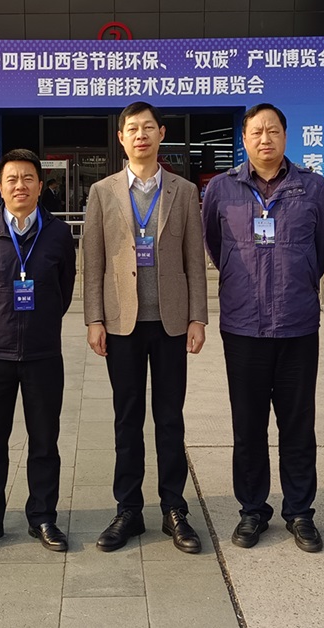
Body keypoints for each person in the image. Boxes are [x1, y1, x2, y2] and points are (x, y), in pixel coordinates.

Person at [201, 103, 324, 552]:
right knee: (248, 426)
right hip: (242, 326)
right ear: (244, 138)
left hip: (297, 325)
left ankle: (300, 511)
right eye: (256, 131)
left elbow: (323, 247)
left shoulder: (312, 187)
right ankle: (252, 510)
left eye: (273, 130)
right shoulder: (222, 188)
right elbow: (215, 245)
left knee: (298, 424)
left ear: (285, 136)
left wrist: (298, 280)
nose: (265, 139)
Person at [83, 101, 208, 553]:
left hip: (171, 322)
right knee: (127, 418)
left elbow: (194, 259)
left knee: (170, 418)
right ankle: (128, 510)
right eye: (132, 129)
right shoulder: (102, 192)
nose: (141, 135)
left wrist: (198, 317)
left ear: (161, 134)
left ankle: (174, 508)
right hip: (122, 323)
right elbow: (92, 261)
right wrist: (94, 319)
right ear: (121, 138)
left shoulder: (183, 191)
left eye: (148, 128)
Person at [0, 149, 77, 554]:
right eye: (12, 179)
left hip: (44, 354)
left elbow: (64, 288)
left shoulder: (58, 233)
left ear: (41, 186)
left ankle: (43, 517)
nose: (20, 186)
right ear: (0, 187)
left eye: (28, 178)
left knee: (44, 442)